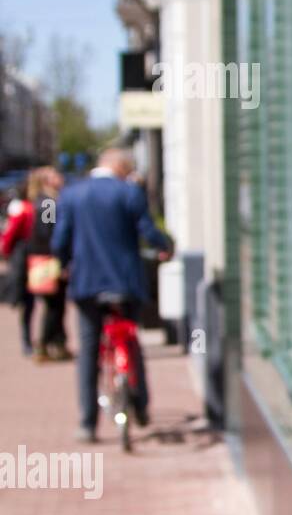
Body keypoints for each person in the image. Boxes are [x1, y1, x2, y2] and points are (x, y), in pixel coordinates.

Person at [52, 149, 172, 443]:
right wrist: (166, 245)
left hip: (88, 283)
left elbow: (60, 241)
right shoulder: (129, 192)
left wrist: (66, 264)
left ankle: (87, 423)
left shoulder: (72, 194)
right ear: (120, 167)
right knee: (131, 339)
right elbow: (147, 230)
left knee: (89, 351)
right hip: (125, 281)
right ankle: (140, 403)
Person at [2, 167, 70, 360]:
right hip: (48, 258)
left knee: (53, 304)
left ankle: (56, 342)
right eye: (55, 176)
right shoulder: (48, 202)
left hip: (45, 257)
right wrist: (57, 256)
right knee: (54, 304)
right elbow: (47, 231)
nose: (60, 178)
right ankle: (46, 343)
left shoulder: (45, 200)